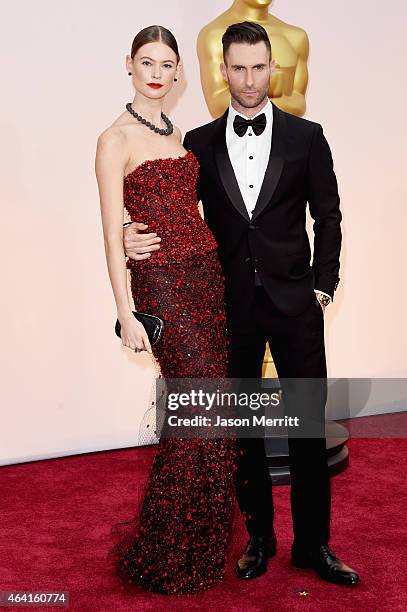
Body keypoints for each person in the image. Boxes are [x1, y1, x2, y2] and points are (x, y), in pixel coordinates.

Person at [124, 22, 360, 586]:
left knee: (305, 427)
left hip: (296, 305)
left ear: (271, 68)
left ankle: (313, 547)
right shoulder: (198, 145)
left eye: (259, 67)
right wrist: (134, 235)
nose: (250, 79)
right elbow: (171, 211)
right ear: (222, 70)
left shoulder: (308, 137)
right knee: (245, 432)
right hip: (226, 307)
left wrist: (322, 287)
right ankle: (258, 540)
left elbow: (328, 217)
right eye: (239, 68)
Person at [95, 25, 236, 595]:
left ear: (178, 74)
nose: (156, 72)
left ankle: (196, 545)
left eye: (167, 64)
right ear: (128, 64)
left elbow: (185, 208)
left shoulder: (178, 133)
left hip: (207, 277)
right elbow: (110, 233)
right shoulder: (114, 139)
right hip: (162, 287)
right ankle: (165, 549)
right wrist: (126, 312)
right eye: (146, 61)